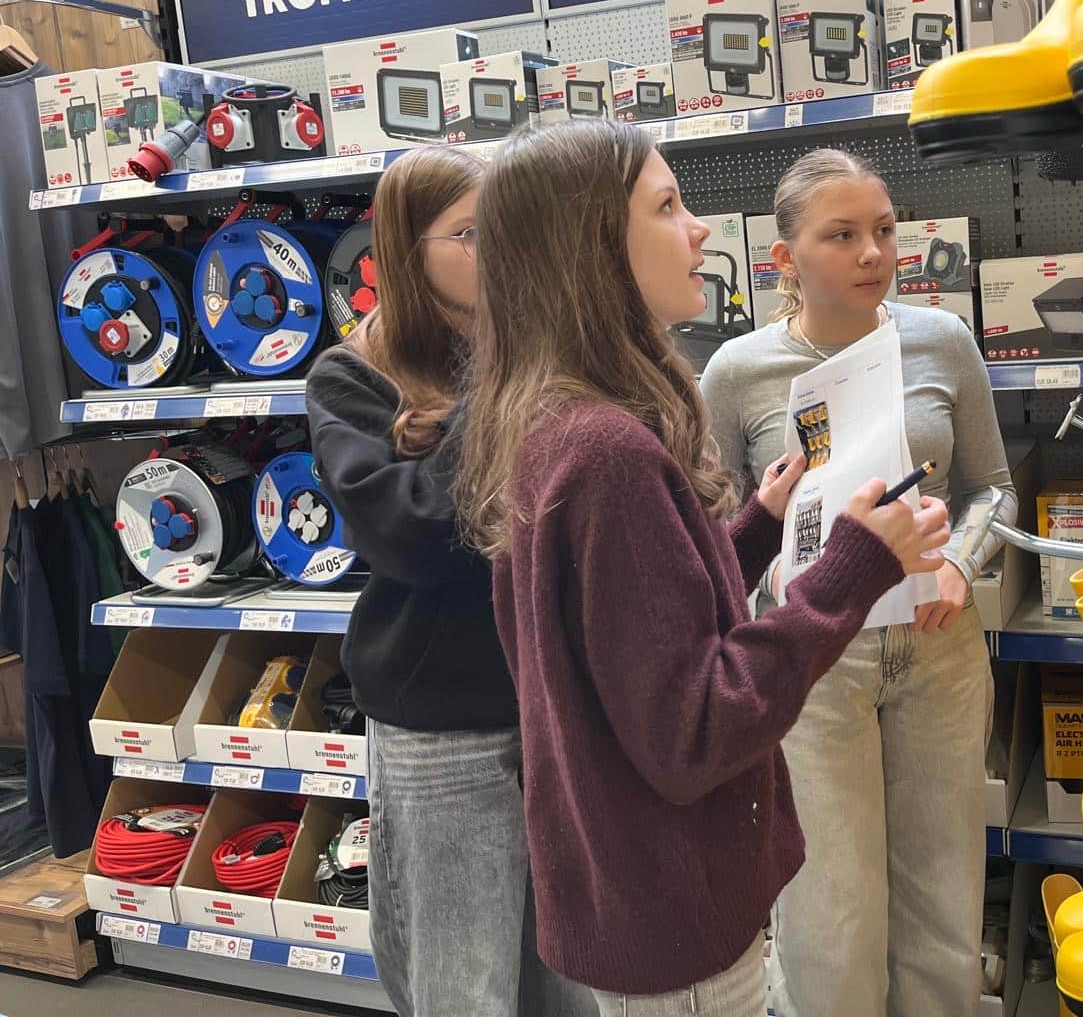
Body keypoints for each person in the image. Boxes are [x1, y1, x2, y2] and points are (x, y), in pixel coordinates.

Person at [453, 121, 951, 1017]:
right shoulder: (607, 454)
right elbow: (696, 730)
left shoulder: (556, 420)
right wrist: (853, 566)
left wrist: (757, 529)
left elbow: (632, 636)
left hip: (637, 895)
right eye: (667, 206)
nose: (701, 229)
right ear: (592, 246)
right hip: (675, 925)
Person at [699, 149, 1018, 1017]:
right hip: (811, 665)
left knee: (943, 907)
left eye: (882, 230)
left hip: (939, 649)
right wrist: (771, 562)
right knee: (829, 920)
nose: (873, 253)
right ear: (785, 257)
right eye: (841, 236)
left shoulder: (941, 341)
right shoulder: (737, 372)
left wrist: (961, 563)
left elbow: (993, 488)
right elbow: (714, 536)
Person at [305, 147, 591, 1017]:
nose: (496, 251)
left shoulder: (545, 350)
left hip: (555, 703)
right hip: (440, 725)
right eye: (470, 234)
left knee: (570, 979)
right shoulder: (352, 376)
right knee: (463, 985)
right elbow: (414, 534)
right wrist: (502, 386)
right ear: (406, 250)